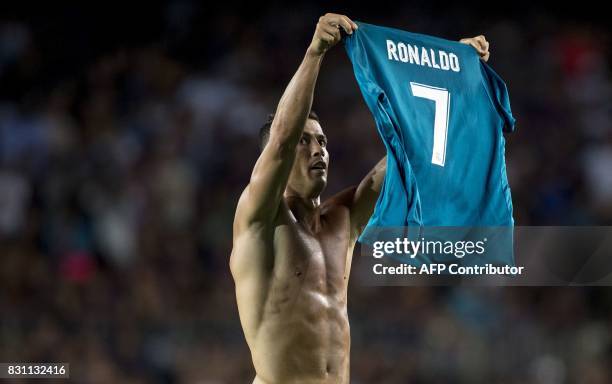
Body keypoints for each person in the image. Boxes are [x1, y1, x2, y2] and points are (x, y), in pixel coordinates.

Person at [230, 13, 491, 384]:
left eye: (321, 140)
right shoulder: (258, 218)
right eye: (305, 141)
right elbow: (282, 137)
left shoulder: (343, 219)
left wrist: (457, 78)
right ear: (279, 161)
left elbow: (410, 153)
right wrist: (315, 53)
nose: (317, 149)